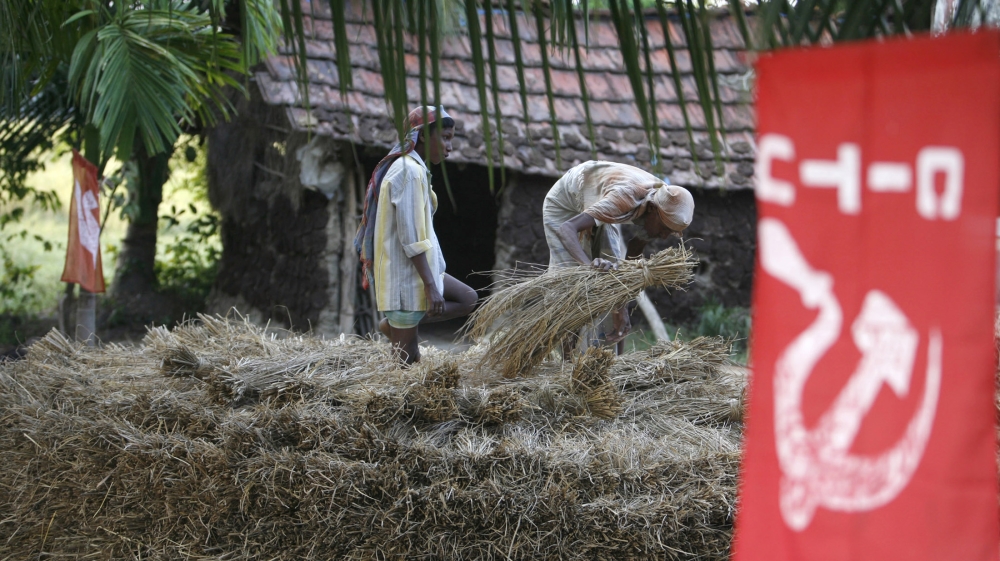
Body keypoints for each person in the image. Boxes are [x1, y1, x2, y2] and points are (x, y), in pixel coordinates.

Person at [354, 106, 477, 365]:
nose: (449, 146)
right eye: (444, 137)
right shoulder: (408, 172)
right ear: (422, 136)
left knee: (468, 298)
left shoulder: (416, 170)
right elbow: (410, 237)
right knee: (408, 361)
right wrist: (430, 286)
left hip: (416, 273)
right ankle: (399, 324)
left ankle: (394, 324)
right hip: (406, 278)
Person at [543, 160, 695, 355]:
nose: (664, 236)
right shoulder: (626, 198)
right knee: (573, 282)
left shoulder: (660, 205)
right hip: (566, 204)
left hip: (600, 201)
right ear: (651, 210)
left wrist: (621, 305)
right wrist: (590, 267)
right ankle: (569, 361)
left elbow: (632, 253)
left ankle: (613, 360)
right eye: (665, 229)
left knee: (611, 271)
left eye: (671, 233)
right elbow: (567, 229)